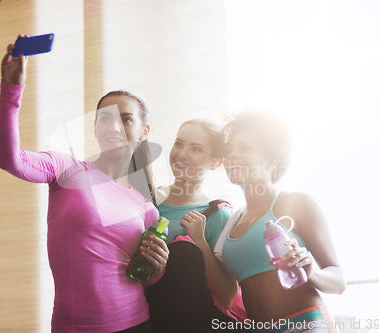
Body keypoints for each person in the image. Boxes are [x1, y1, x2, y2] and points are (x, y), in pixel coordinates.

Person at [0, 35, 169, 333]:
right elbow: (11, 160)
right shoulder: (67, 169)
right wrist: (12, 90)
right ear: (95, 128)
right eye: (104, 118)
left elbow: (143, 277)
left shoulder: (147, 208)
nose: (113, 126)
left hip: (136, 323)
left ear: (144, 132)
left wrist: (158, 270)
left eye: (126, 119)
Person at [214, 110, 346, 332]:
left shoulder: (296, 203)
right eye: (229, 150)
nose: (232, 156)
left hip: (306, 324)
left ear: (271, 160)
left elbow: (339, 281)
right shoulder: (232, 220)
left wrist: (311, 272)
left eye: (245, 148)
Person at [146, 118, 248, 332]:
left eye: (196, 149)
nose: (182, 154)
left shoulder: (218, 215)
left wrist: (200, 242)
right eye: (179, 143)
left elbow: (228, 297)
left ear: (215, 162)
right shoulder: (146, 198)